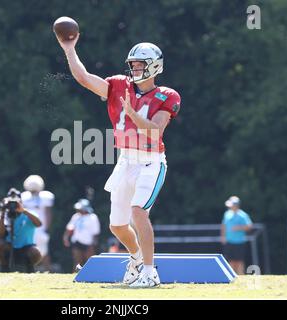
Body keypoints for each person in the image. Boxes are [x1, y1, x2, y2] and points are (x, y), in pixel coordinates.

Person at [56, 35, 181, 287]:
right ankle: (135, 258)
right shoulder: (118, 85)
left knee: (139, 213)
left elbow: (156, 131)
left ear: (155, 66)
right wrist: (69, 49)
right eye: (132, 64)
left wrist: (134, 114)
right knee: (117, 225)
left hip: (151, 162)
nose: (134, 68)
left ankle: (149, 272)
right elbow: (84, 78)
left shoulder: (167, 95)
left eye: (139, 64)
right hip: (126, 160)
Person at [0, 188, 42, 273]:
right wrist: (3, 212)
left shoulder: (28, 214)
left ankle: (29, 268)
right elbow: (0, 234)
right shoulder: (2, 216)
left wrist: (23, 211)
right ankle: (4, 268)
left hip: (26, 249)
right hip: (9, 248)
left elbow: (39, 224)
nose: (13, 205)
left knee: (35, 252)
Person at [21, 175, 54, 272]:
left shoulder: (45, 196)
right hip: (33, 228)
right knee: (33, 250)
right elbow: (48, 214)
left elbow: (48, 213)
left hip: (36, 228)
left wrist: (46, 228)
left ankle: (45, 270)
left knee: (42, 251)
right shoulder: (24, 197)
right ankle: (32, 270)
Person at [63, 199, 101, 272]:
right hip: (77, 241)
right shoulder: (76, 216)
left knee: (89, 261)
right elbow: (69, 228)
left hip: (88, 243)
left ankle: (90, 275)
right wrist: (66, 238)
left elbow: (95, 232)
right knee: (77, 260)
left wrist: (94, 244)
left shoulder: (92, 217)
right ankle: (75, 274)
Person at [220, 196, 253, 275]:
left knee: (239, 261)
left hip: (239, 242)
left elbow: (249, 226)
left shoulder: (243, 215)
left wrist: (239, 227)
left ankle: (241, 276)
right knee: (230, 261)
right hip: (229, 241)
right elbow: (224, 226)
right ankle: (232, 277)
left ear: (236, 205)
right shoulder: (227, 214)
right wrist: (223, 237)